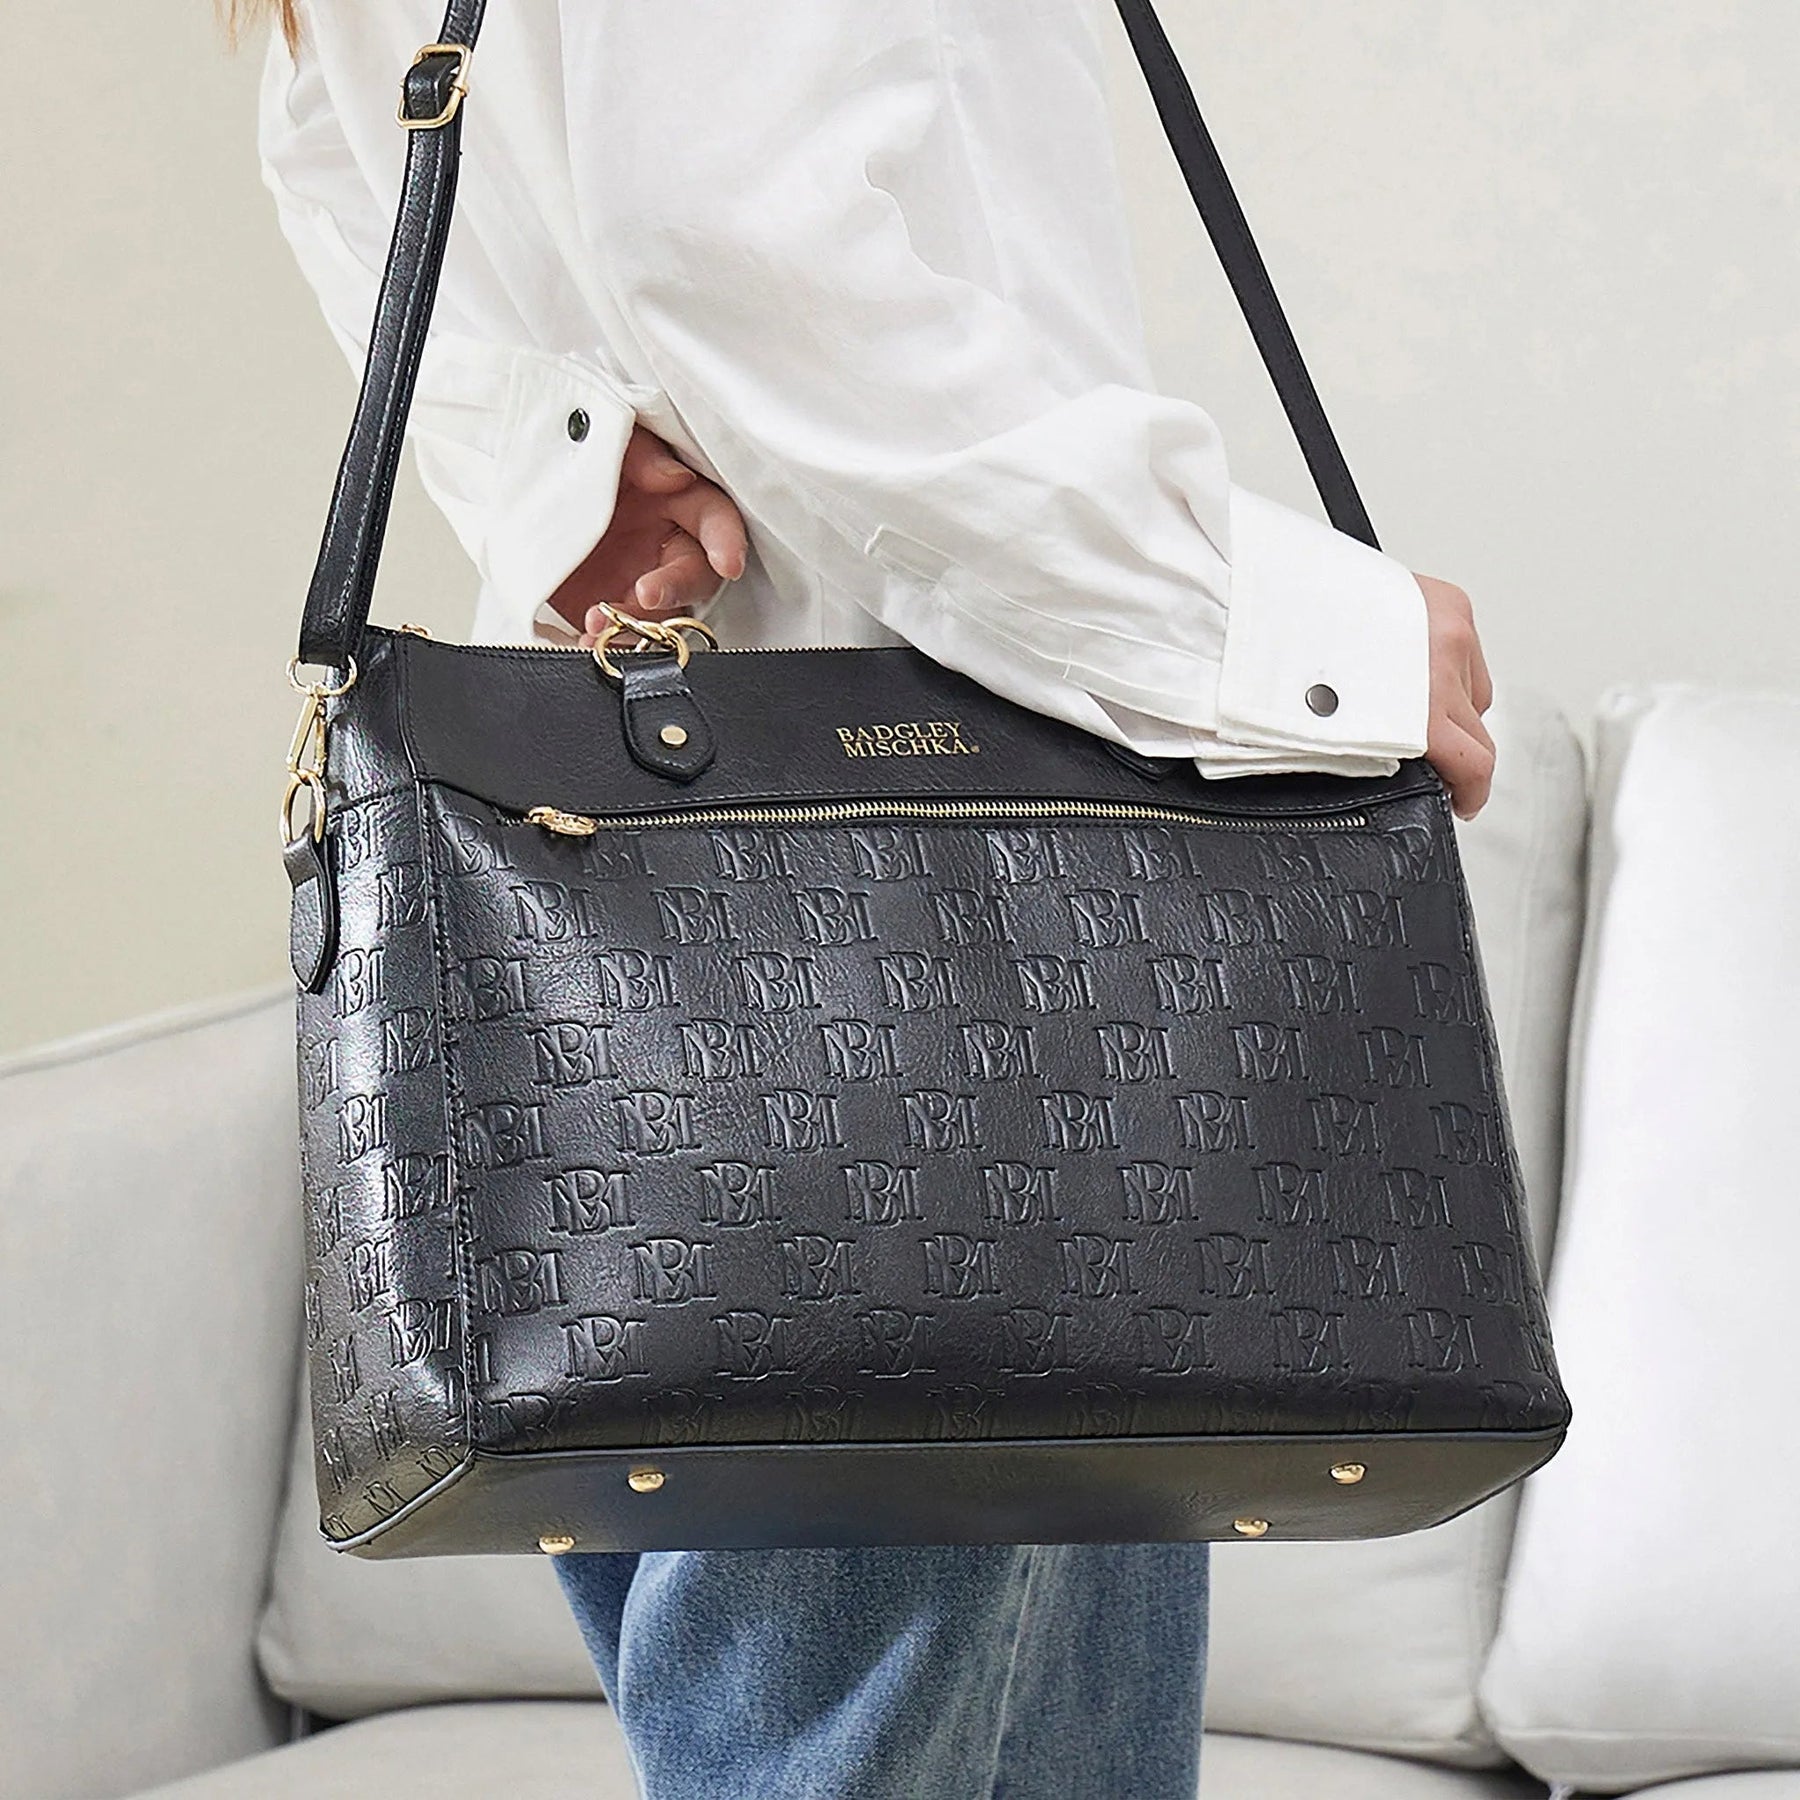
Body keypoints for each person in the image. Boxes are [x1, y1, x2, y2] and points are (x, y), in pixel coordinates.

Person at [236, 4, 1498, 1795]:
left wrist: (559, 469)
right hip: (972, 949)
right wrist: (1266, 628)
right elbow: (727, 234)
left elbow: (347, 164)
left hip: (657, 961)